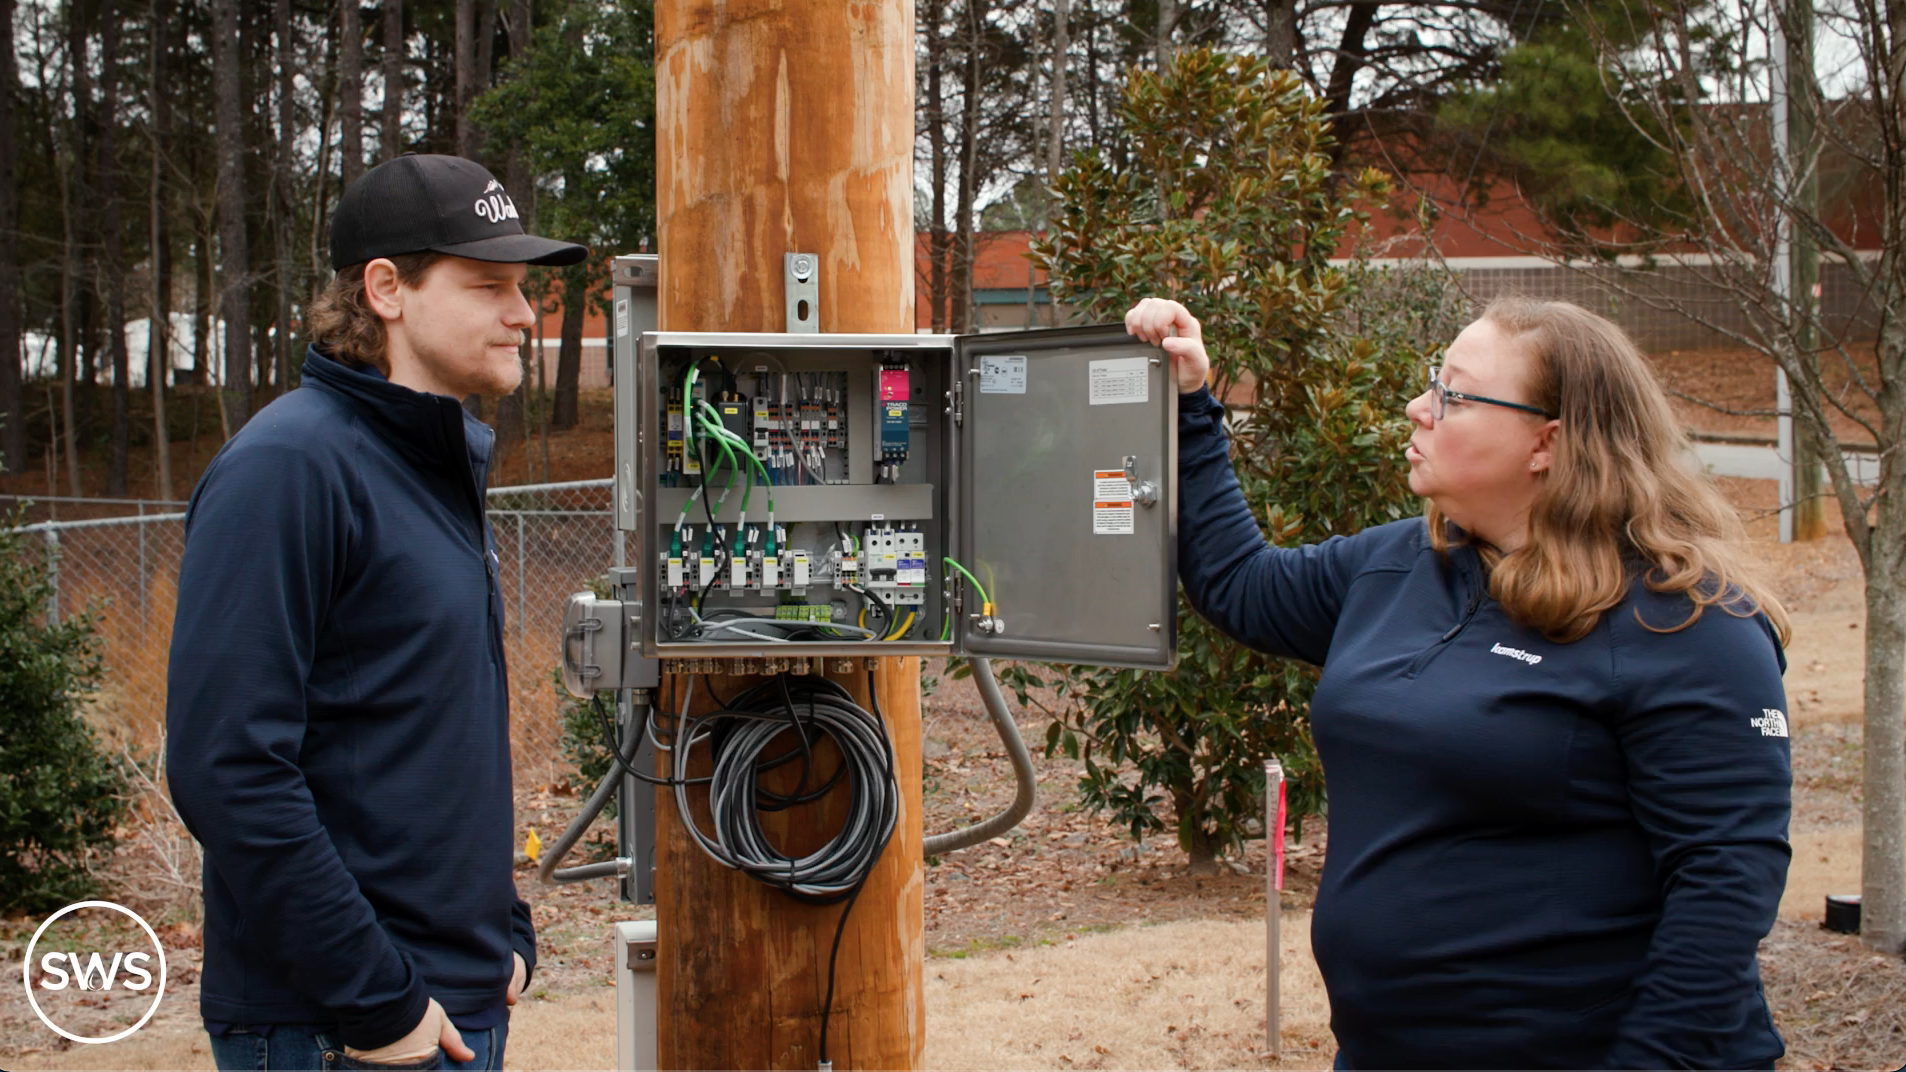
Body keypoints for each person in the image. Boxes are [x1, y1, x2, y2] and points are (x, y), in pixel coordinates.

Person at [1125, 296, 1792, 1069]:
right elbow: (1239, 582)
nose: (1418, 407)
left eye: (1454, 393)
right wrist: (1188, 406)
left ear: (1546, 441)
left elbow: (1724, 886)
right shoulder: (1399, 566)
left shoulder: (1688, 626)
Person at [166, 154, 586, 1071]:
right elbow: (225, 764)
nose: (523, 315)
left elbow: (425, 737)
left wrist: (504, 931)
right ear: (386, 289)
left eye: (523, 289)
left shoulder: (429, 467)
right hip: (337, 1028)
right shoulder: (292, 466)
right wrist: (378, 1002)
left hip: (451, 998)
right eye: (489, 286)